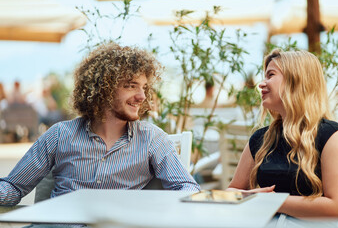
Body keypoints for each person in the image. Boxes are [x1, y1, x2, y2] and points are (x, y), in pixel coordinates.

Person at [0, 42, 200, 206]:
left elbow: (188, 188)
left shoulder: (153, 139)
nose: (141, 96)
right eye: (131, 86)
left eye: (144, 88)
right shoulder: (59, 135)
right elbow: (14, 188)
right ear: (102, 89)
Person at [228, 49, 338, 219]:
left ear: (296, 80)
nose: (262, 84)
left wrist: (274, 202)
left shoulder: (331, 135)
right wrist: (244, 196)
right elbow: (232, 190)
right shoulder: (260, 139)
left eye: (270, 75)